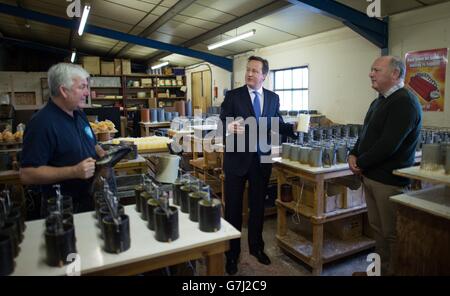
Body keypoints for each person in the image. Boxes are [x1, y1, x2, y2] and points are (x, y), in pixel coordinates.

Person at [220, 56, 297, 275]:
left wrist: (294, 129)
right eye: (248, 70)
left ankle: (257, 247)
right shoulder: (234, 96)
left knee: (258, 207)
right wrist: (228, 125)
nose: (250, 74)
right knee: (233, 209)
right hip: (236, 160)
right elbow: (222, 119)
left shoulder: (273, 98)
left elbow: (277, 123)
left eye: (255, 71)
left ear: (264, 75)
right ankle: (231, 254)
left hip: (261, 160)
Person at [348, 55, 422, 275]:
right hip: (371, 176)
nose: (371, 74)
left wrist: (360, 162)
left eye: (376, 70)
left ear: (395, 74)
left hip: (389, 180)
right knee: (378, 230)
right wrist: (353, 153)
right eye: (371, 69)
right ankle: (376, 272)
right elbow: (366, 133)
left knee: (391, 234)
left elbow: (388, 144)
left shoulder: (405, 102)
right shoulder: (379, 99)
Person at [20, 63, 106, 214]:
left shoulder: (79, 114)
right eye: (82, 87)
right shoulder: (41, 123)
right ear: (64, 91)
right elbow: (27, 174)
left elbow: (91, 143)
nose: (87, 92)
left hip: (88, 199)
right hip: (62, 208)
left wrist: (102, 154)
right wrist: (73, 171)